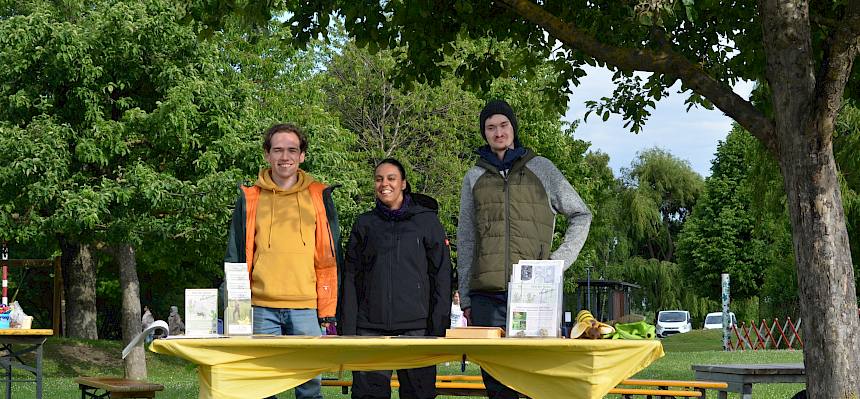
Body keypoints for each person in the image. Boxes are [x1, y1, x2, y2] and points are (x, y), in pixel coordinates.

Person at [457, 100, 592, 399]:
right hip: (486, 296)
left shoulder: (542, 169)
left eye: (503, 125)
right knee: (496, 383)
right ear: (484, 134)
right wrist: (465, 294)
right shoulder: (474, 177)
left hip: (535, 294)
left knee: (536, 381)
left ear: (513, 128)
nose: (498, 132)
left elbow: (581, 215)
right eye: (490, 127)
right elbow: (466, 238)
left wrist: (557, 262)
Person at [224, 123, 343, 399]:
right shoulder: (250, 197)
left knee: (310, 390)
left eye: (292, 150)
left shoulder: (320, 196)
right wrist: (234, 307)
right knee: (262, 389)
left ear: (302, 155)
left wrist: (329, 308)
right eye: (277, 150)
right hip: (261, 308)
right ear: (267, 155)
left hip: (307, 308)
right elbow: (234, 257)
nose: (284, 156)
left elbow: (332, 257)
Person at [340, 158, 452, 399]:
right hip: (369, 328)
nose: (384, 184)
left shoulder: (426, 221)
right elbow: (350, 277)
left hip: (417, 329)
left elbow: (442, 274)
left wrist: (439, 324)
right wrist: (348, 328)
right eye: (379, 179)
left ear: (403, 184)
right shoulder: (364, 224)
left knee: (419, 394)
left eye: (391, 178)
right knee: (368, 395)